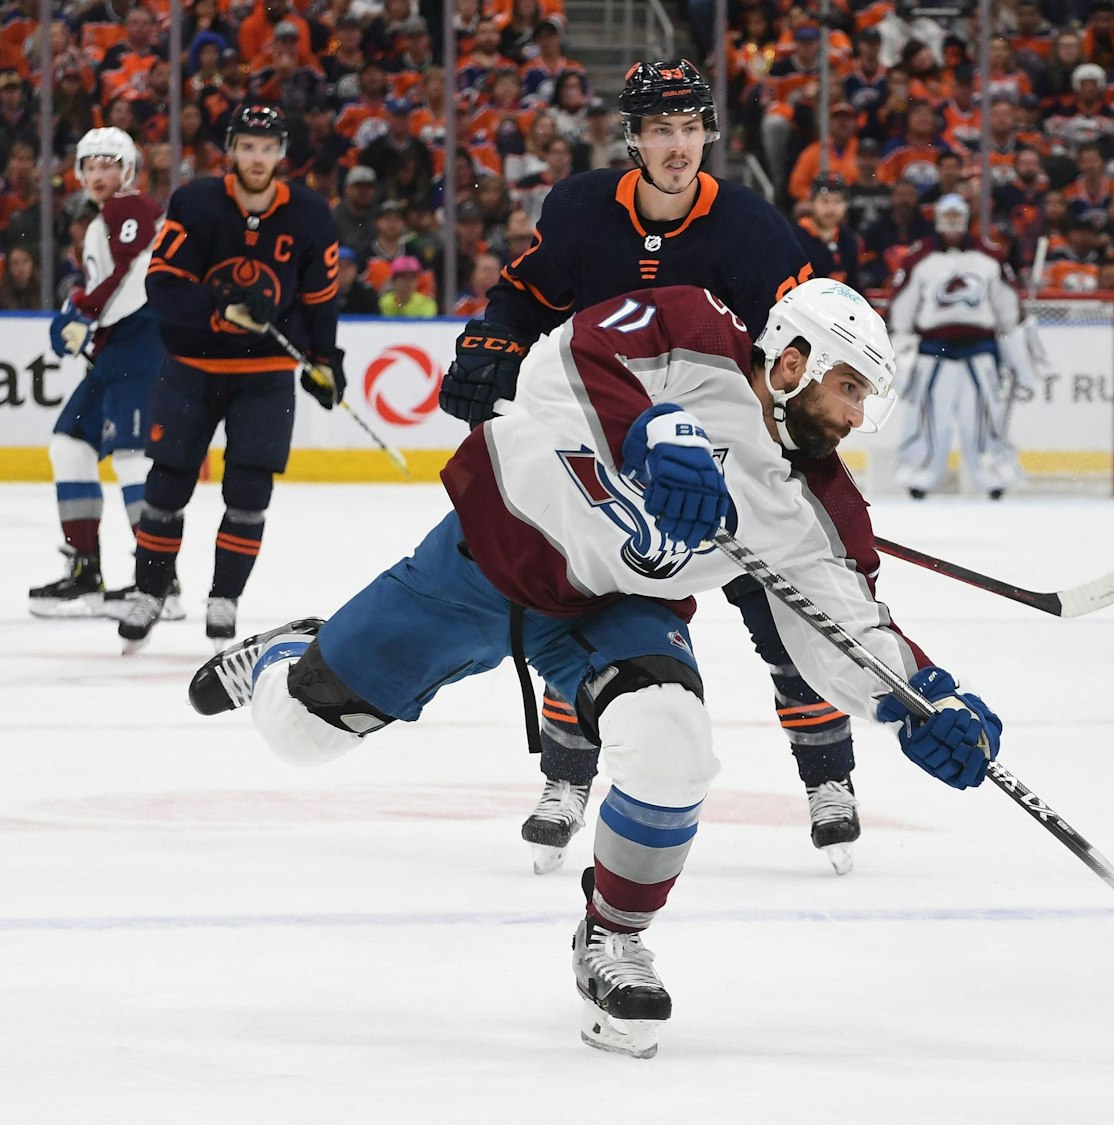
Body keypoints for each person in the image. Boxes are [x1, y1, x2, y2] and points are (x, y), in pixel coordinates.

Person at [185, 280, 1002, 1062]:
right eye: (850, 389)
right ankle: (289, 652)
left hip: (613, 610)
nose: (858, 417)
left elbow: (844, 623)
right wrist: (650, 430)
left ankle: (613, 938)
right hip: (487, 557)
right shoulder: (695, 332)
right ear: (791, 362)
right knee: (298, 733)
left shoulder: (814, 498)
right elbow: (559, 363)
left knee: (675, 741)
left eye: (867, 398)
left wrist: (924, 700)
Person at [435, 61, 873, 876]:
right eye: (660, 130)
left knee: (782, 609)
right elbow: (528, 293)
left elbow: (802, 346)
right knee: (588, 609)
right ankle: (567, 778)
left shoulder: (752, 229)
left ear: (711, 131)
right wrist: (495, 337)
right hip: (611, 446)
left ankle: (830, 779)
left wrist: (803, 443)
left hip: (732, 458)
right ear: (633, 138)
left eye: (690, 128)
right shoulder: (577, 210)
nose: (678, 147)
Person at [122, 104, 345, 652]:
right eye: (247, 147)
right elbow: (163, 287)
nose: (257, 158)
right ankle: (150, 592)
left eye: (266, 149)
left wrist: (327, 360)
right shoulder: (196, 203)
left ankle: (225, 598)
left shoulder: (312, 216)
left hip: (265, 374)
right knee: (167, 483)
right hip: (191, 368)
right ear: (231, 150)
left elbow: (320, 300)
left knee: (249, 491)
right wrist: (220, 305)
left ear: (282, 154)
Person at [30, 128, 170, 619]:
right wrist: (83, 315)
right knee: (70, 444)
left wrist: (82, 310)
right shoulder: (104, 218)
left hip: (143, 345)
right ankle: (85, 572)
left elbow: (133, 271)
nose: (97, 174)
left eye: (108, 164)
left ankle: (160, 585)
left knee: (132, 456)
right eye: (89, 166)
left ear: (128, 169)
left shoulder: (129, 208)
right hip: (118, 351)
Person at [888, 193, 1038, 501]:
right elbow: (902, 308)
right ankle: (919, 475)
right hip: (934, 350)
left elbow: (1008, 308)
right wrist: (899, 349)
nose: (953, 225)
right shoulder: (920, 258)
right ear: (938, 221)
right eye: (948, 218)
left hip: (979, 349)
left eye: (958, 218)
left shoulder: (989, 257)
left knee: (983, 419)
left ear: (967, 220)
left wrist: (1017, 351)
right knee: (929, 418)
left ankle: (993, 475)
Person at [795, 174, 862, 285]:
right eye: (824, 201)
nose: (831, 208)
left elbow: (854, 284)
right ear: (812, 203)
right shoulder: (795, 238)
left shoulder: (848, 238)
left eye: (837, 201)